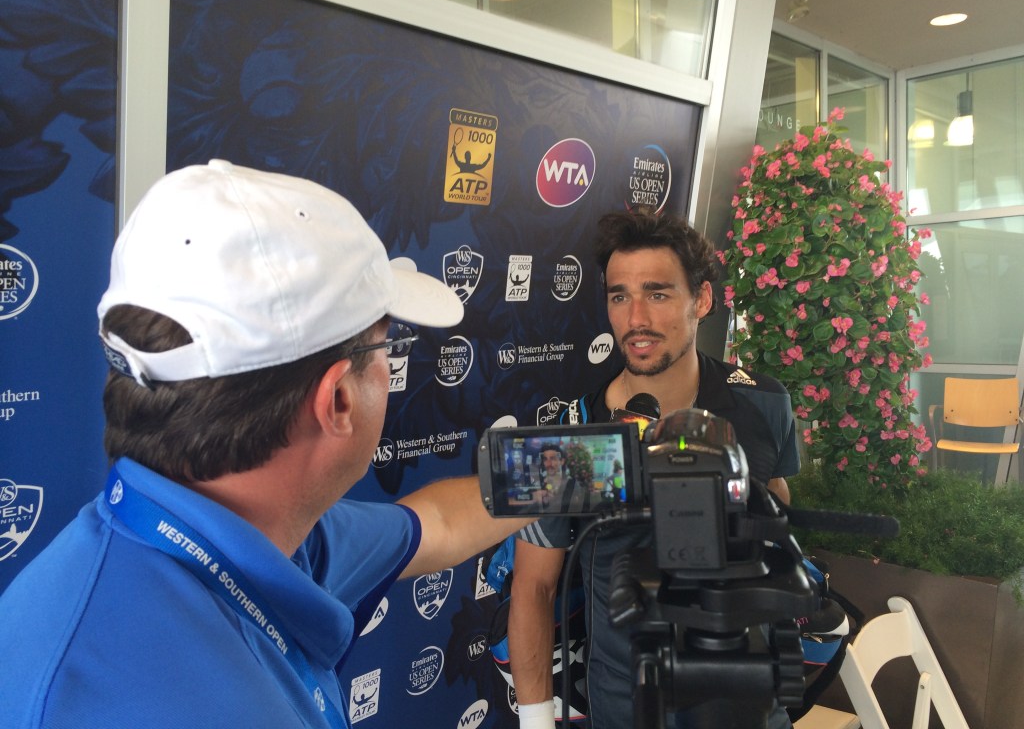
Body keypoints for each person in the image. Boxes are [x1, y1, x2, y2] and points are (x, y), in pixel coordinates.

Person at [0, 160, 532, 729]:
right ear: (338, 402)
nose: (391, 365)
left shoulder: (261, 534)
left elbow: (441, 524)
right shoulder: (161, 705)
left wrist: (603, 463)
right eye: (387, 344)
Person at [508, 209, 799, 729]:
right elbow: (534, 589)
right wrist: (533, 720)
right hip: (626, 708)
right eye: (619, 296)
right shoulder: (573, 431)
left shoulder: (765, 405)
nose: (636, 318)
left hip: (750, 706)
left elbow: (779, 515)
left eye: (658, 294)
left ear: (702, 300)